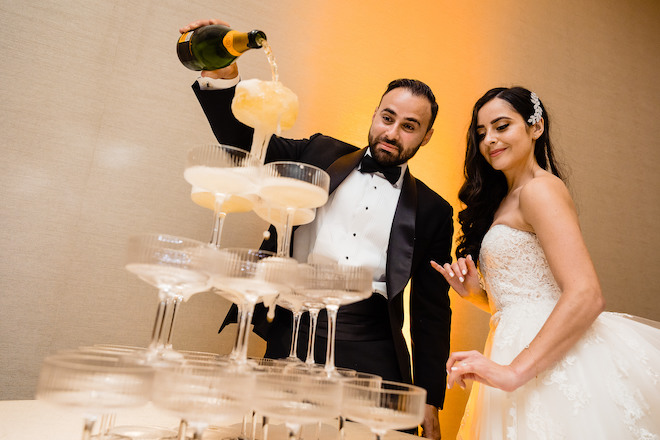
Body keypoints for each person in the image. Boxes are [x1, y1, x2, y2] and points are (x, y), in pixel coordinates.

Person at [180, 19, 453, 439]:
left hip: (373, 342)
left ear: (426, 136)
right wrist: (222, 76)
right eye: (388, 117)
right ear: (375, 113)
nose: (391, 133)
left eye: (409, 126)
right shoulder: (319, 153)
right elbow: (248, 145)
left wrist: (431, 396)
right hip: (296, 326)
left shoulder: (435, 210)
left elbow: (431, 309)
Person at [432, 86, 660, 439]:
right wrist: (477, 295)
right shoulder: (509, 199)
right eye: (482, 133)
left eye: (502, 126)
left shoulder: (540, 190)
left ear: (535, 127)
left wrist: (513, 372)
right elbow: (529, 296)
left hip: (545, 361)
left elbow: (586, 294)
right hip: (518, 344)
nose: (489, 139)